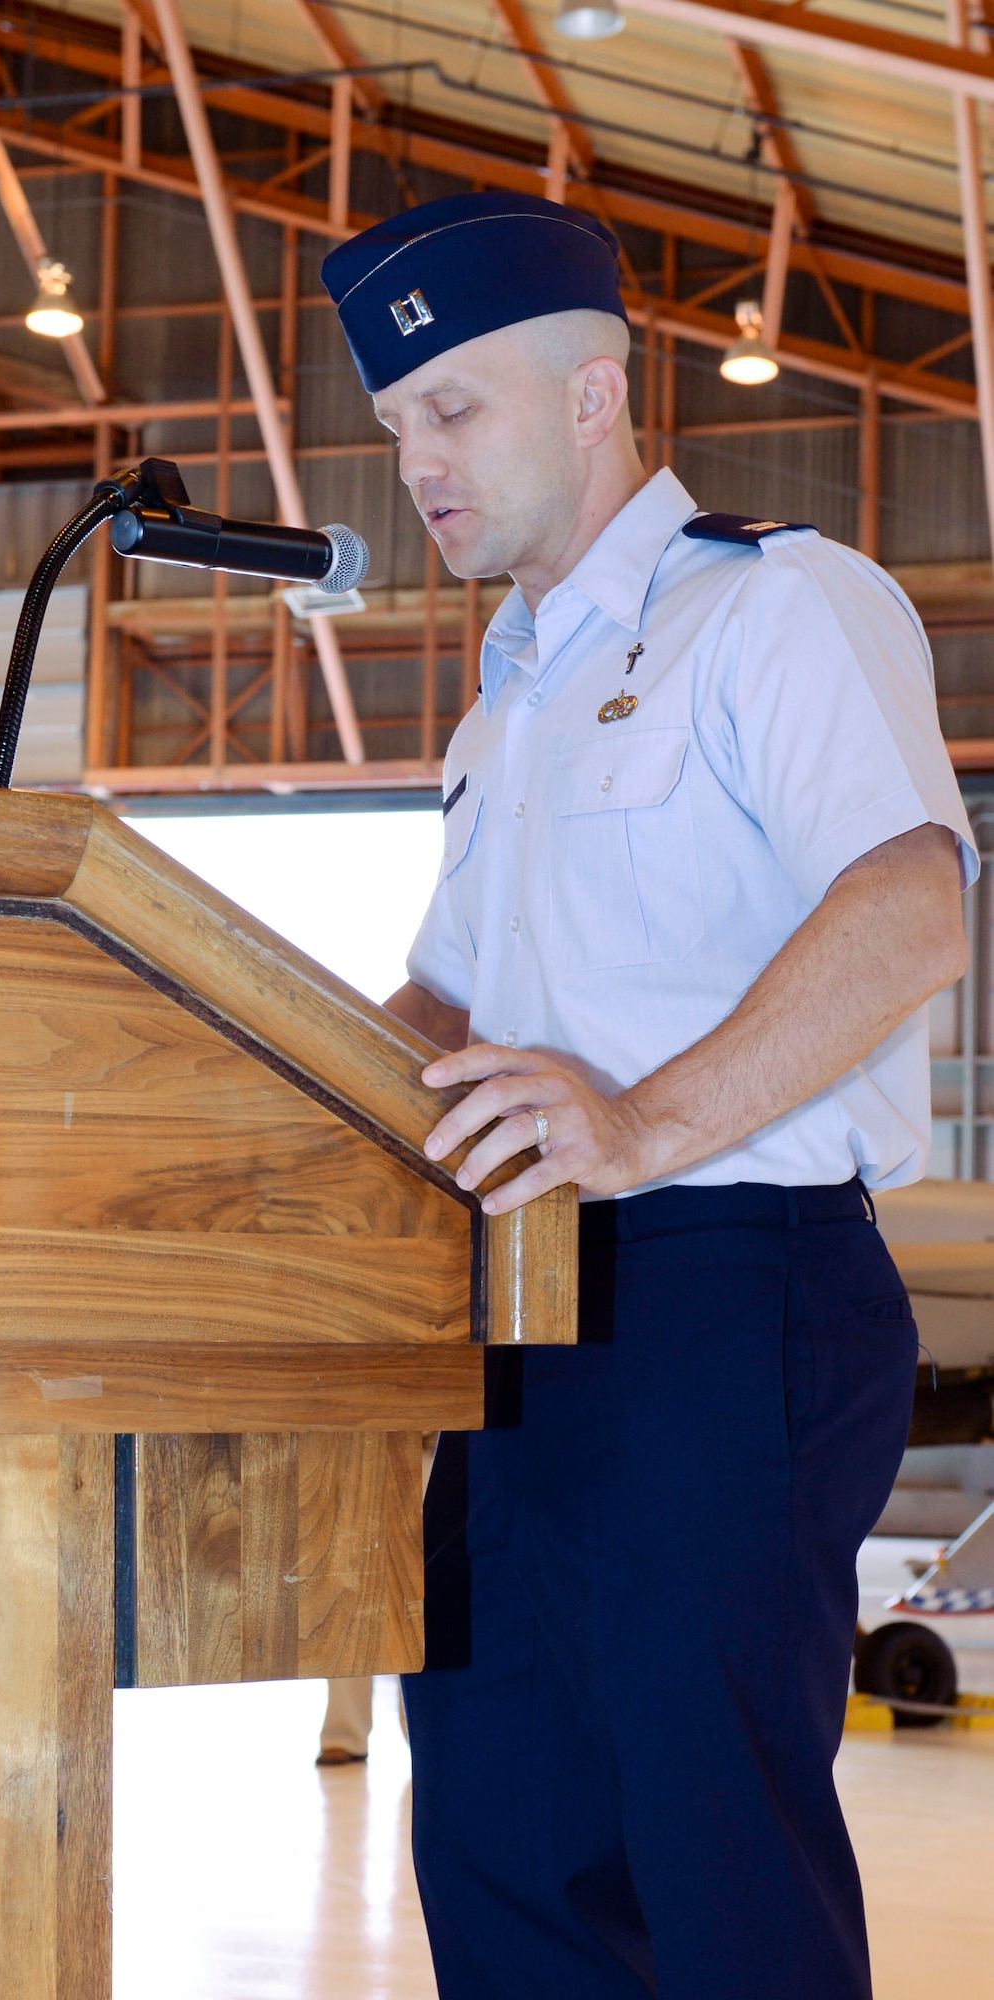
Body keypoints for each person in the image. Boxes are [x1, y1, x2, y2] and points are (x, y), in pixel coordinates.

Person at [318, 192, 974, 2000]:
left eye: (452, 411)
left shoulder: (772, 604)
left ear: (594, 394)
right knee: (503, 1837)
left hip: (721, 1288)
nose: (415, 468)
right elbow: (446, 1000)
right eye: (392, 431)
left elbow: (910, 904)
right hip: (512, 1319)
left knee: (710, 1849)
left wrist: (642, 1122)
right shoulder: (506, 699)